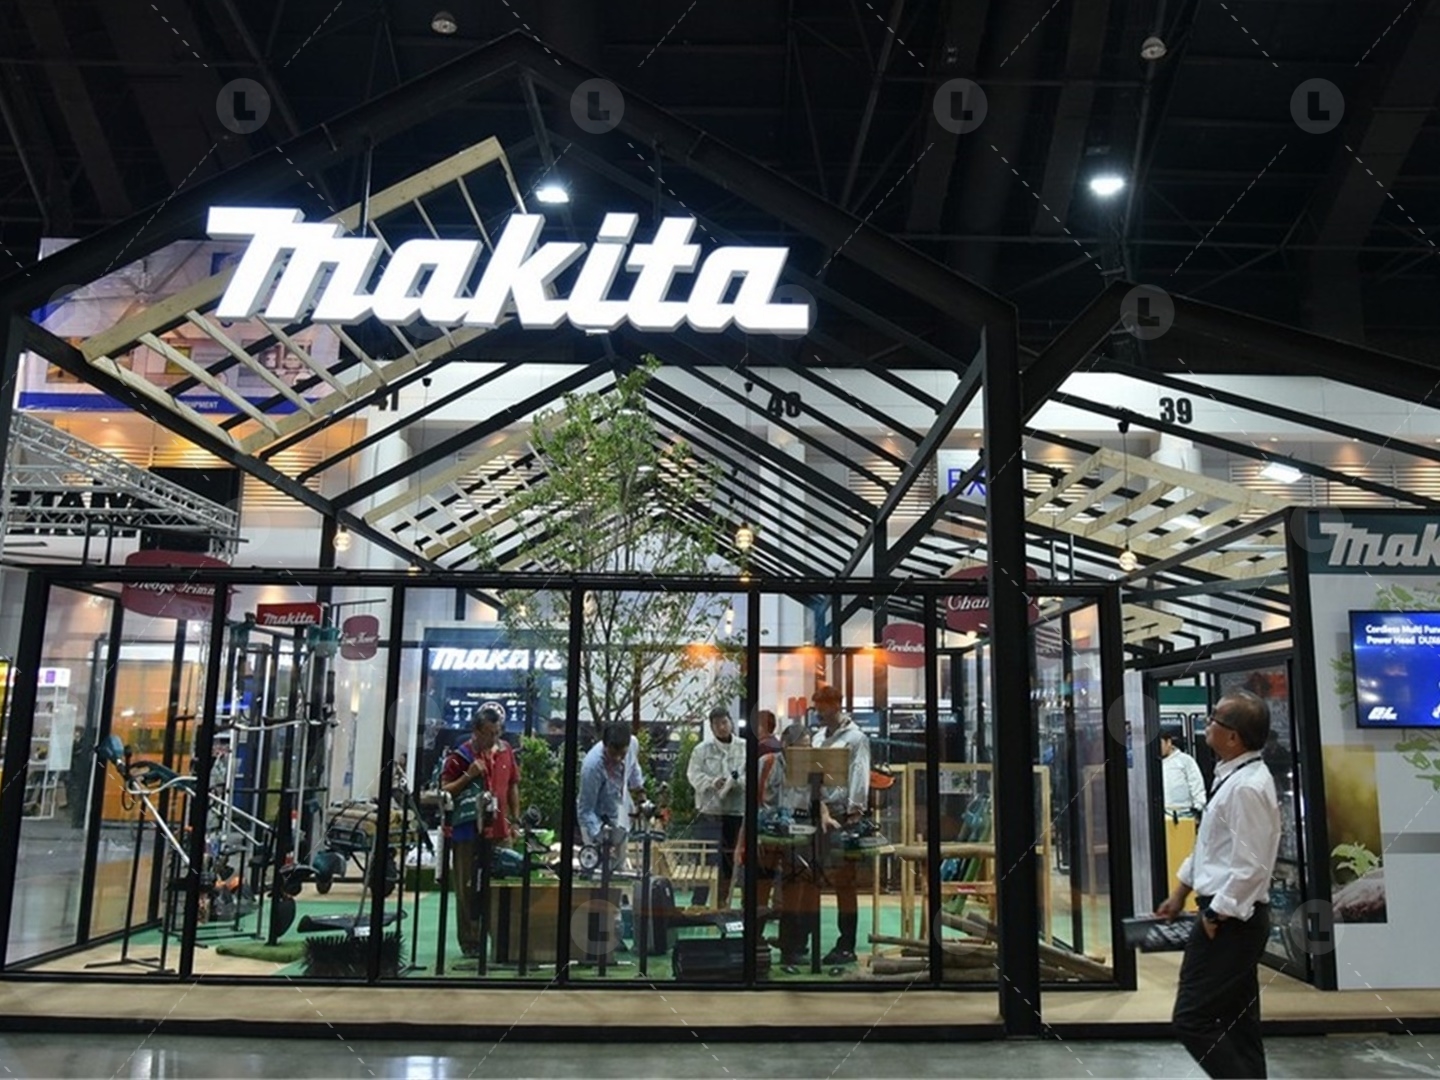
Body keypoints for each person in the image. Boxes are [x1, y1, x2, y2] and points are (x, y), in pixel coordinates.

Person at [1156, 690, 1281, 1079]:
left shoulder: (1246, 787)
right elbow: (1210, 848)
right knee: (1238, 1023)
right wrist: (1180, 891)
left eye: (1214, 719)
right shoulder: (1232, 777)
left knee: (1192, 1018)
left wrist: (1215, 912)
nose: (1207, 724)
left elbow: (1251, 865)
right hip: (1227, 915)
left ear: (1233, 736)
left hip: (1231, 921)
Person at [439, 705, 521, 958]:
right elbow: (444, 791)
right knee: (468, 889)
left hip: (500, 831)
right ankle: (471, 943)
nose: (494, 738)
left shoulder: (506, 750)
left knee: (501, 886)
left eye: (498, 732)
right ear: (476, 731)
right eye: (489, 733)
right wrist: (468, 775)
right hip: (467, 833)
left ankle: (501, 941)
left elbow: (513, 785)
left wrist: (515, 820)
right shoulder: (460, 756)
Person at [809, 684, 871, 966]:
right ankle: (803, 942)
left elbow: (860, 773)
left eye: (822, 707)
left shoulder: (856, 738)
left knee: (845, 881)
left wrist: (854, 813)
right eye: (817, 707)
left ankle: (846, 944)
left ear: (836, 705)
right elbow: (811, 774)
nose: (818, 712)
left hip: (844, 815)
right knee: (809, 877)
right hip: (817, 811)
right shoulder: (818, 737)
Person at [688, 707, 746, 908]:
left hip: (736, 812)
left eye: (724, 722)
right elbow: (693, 775)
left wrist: (736, 783)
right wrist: (712, 782)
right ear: (711, 727)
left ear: (731, 722)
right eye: (716, 724)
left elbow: (751, 774)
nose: (722, 727)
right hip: (709, 812)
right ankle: (698, 903)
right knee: (705, 858)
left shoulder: (744, 748)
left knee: (731, 858)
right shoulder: (701, 750)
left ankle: (724, 902)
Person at [578, 721, 646, 871]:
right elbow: (585, 810)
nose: (618, 759)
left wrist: (640, 794)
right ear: (605, 745)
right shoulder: (592, 767)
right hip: (596, 819)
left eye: (622, 754)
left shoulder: (633, 744)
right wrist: (602, 839)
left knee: (619, 868)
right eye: (613, 754)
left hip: (619, 812)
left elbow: (633, 767)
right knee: (599, 870)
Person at [1162, 728, 1208, 818]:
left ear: (1168, 742)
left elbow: (1196, 785)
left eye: (1160, 744)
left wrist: (1199, 808)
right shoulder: (1152, 764)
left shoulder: (1185, 760)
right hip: (1162, 814)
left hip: (1185, 814)